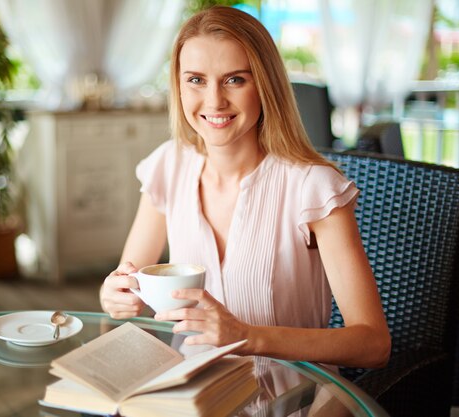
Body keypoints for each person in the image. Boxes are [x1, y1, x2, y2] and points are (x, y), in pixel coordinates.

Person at [99, 5, 390, 370]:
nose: (214, 101)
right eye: (195, 80)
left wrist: (248, 335)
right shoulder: (167, 165)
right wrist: (115, 295)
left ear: (265, 85)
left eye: (235, 79)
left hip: (287, 400)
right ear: (178, 85)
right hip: (189, 392)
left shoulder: (313, 188)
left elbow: (373, 344)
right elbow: (130, 281)